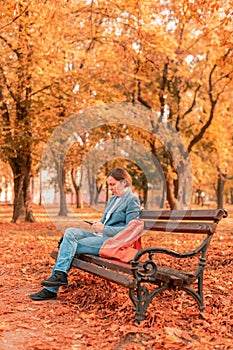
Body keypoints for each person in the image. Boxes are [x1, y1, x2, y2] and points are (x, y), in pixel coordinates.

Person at [29, 167, 141, 301]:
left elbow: (130, 231)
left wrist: (104, 229)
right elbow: (106, 221)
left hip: (112, 242)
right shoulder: (113, 199)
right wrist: (98, 225)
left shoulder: (132, 200)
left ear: (123, 182)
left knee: (68, 244)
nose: (110, 188)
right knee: (70, 232)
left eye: (112, 184)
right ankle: (59, 276)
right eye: (108, 185)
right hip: (100, 236)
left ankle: (52, 287)